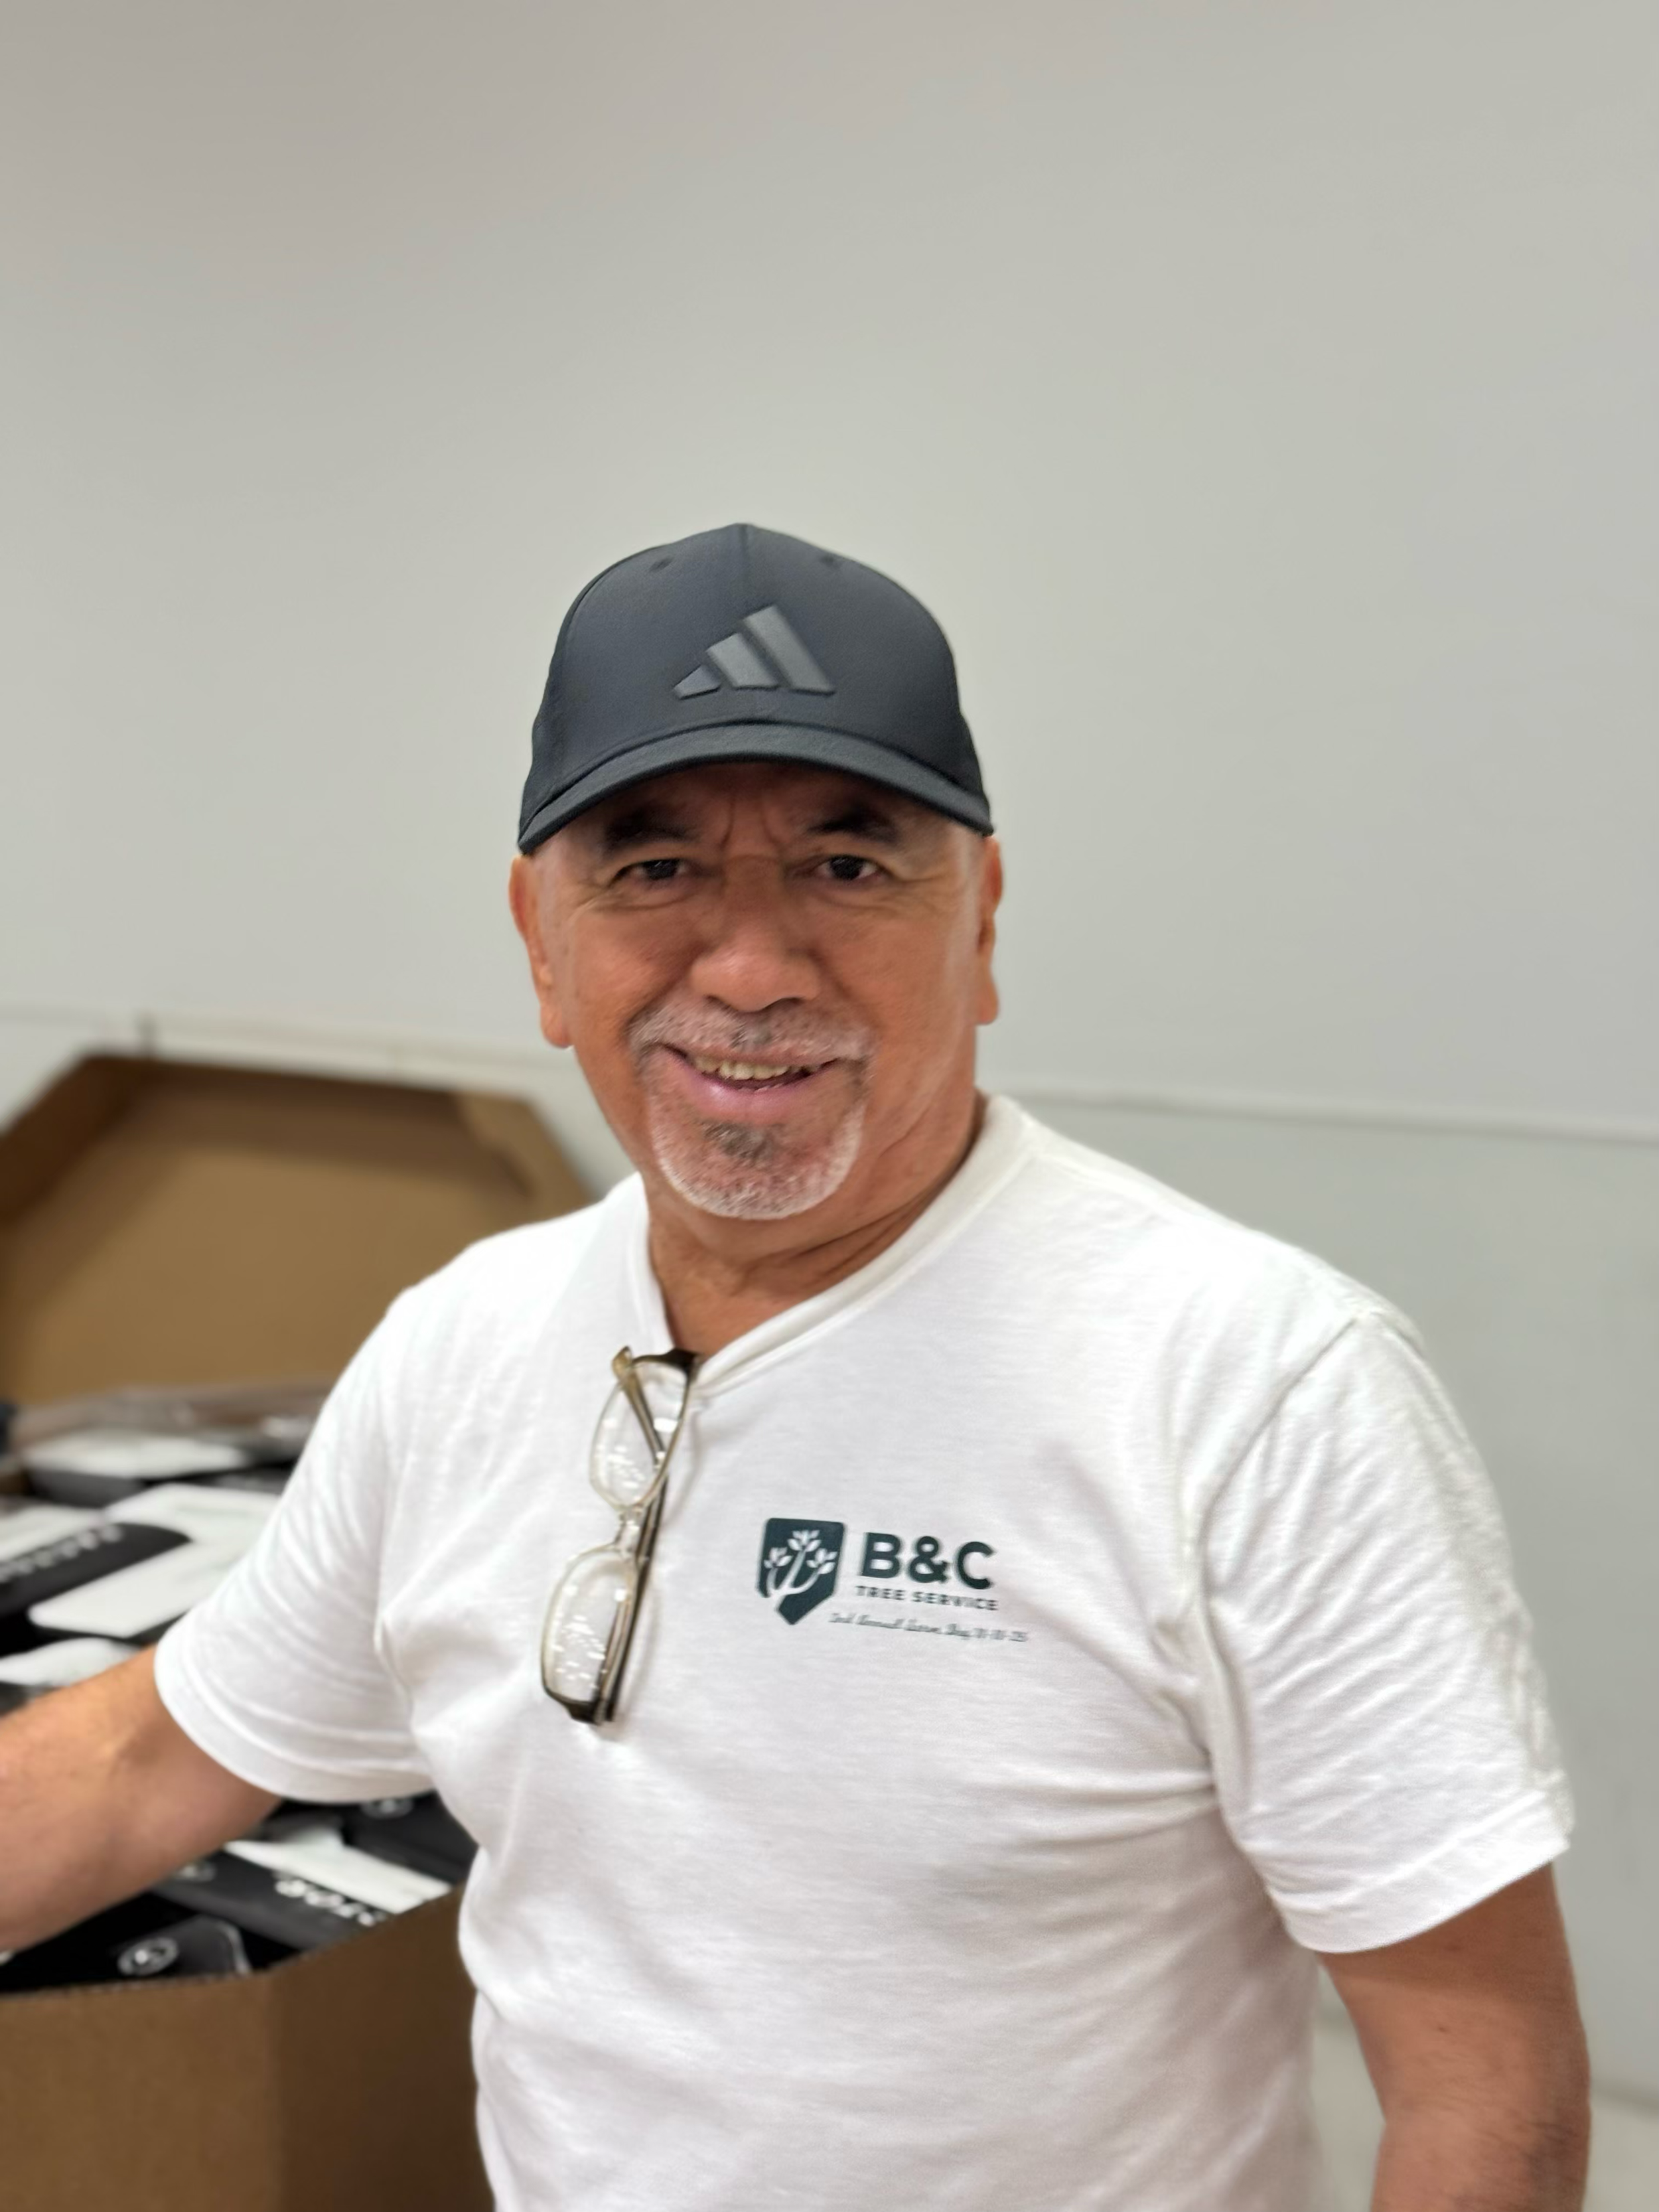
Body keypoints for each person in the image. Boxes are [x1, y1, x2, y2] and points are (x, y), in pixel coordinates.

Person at [0, 523, 1589, 2211]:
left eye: (847, 865)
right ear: (541, 942)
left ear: (978, 919)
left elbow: (1486, 2096)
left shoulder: (1255, 1384)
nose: (748, 970)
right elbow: (146, 1760)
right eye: (651, 866)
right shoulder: (464, 1343)